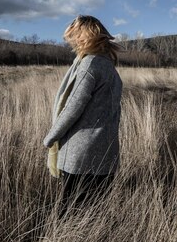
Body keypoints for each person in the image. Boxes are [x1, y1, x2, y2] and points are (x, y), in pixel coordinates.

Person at [43, 15, 124, 218]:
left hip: (82, 154)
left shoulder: (90, 64)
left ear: (84, 37)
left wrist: (51, 137)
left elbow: (73, 106)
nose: (72, 42)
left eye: (74, 36)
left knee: (69, 213)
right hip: (106, 151)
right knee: (94, 212)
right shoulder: (109, 67)